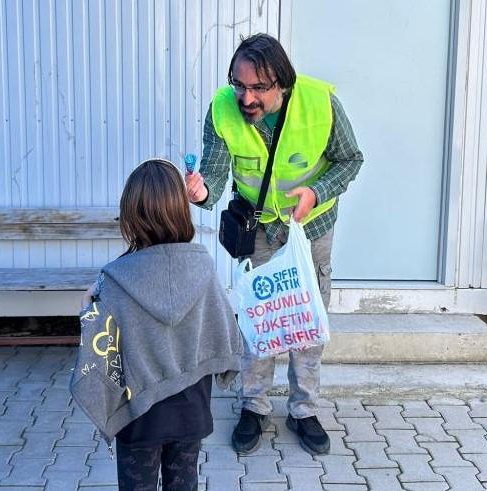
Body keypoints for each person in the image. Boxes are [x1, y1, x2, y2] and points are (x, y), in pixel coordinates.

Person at [185, 33, 364, 456]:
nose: (246, 97)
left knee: (305, 320)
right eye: (239, 84)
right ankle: (254, 406)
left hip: (311, 228)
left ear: (282, 83)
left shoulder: (321, 104)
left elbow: (351, 159)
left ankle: (303, 410)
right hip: (260, 229)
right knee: (258, 319)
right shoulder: (222, 109)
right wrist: (200, 192)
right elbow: (213, 173)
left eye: (258, 88)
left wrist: (317, 192)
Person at [83, 159, 242, 491]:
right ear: (181, 211)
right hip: (191, 412)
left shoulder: (113, 279)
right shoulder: (204, 268)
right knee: (184, 484)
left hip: (137, 416)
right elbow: (225, 330)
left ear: (130, 216)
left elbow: (96, 352)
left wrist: (88, 305)